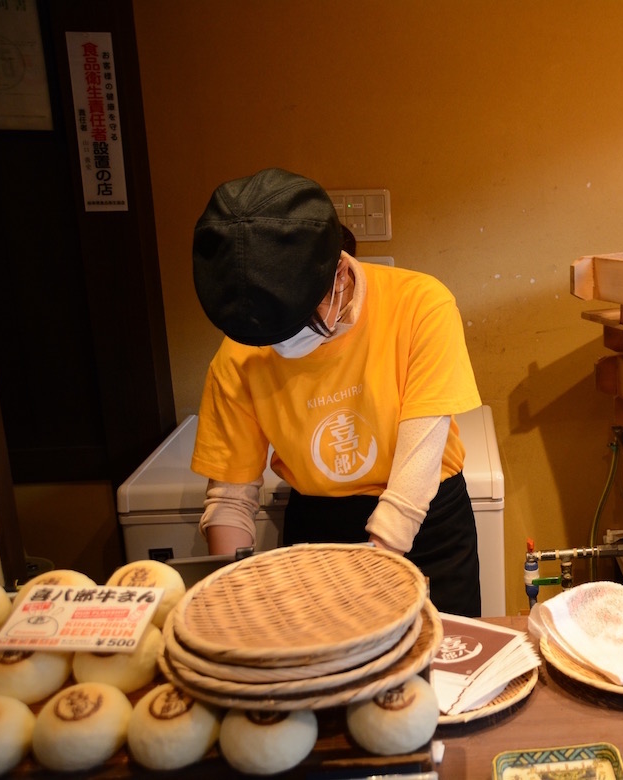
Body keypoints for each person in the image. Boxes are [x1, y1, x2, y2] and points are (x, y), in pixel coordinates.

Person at [189, 167, 483, 616]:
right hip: (318, 525)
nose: (282, 345)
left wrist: (374, 570)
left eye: (297, 324)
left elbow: (419, 458)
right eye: (269, 335)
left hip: (424, 520)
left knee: (441, 671)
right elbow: (230, 499)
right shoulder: (240, 354)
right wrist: (230, 600)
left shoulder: (420, 303)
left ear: (341, 273)